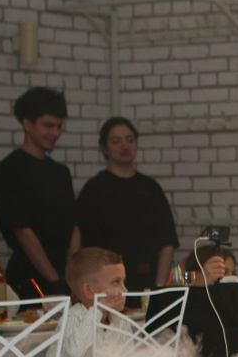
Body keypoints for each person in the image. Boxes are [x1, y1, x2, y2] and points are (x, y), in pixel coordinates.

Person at [0, 87, 81, 299]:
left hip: (65, 276)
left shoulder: (60, 172)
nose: (55, 133)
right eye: (48, 126)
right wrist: (54, 280)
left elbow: (74, 225)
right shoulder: (9, 170)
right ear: (27, 124)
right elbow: (22, 231)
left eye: (59, 127)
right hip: (29, 277)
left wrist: (73, 272)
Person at [76, 117, 180, 294]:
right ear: (104, 148)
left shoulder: (150, 188)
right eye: (116, 141)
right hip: (103, 286)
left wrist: (159, 288)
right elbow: (78, 241)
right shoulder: (94, 188)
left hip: (145, 281)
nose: (124, 146)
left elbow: (167, 243)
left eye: (130, 140)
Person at [61, 246, 129, 357]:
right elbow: (75, 352)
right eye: (116, 282)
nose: (125, 290)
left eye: (123, 281)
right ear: (89, 291)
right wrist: (98, 309)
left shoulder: (119, 320)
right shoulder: (73, 316)